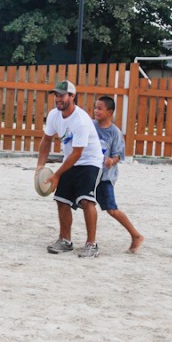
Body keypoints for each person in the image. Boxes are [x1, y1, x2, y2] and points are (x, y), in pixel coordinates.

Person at [36, 80, 104, 258]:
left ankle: (92, 244)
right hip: (71, 160)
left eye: (62, 95)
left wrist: (57, 175)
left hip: (89, 161)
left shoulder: (80, 120)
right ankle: (65, 240)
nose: (58, 98)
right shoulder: (53, 115)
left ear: (72, 96)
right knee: (61, 199)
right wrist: (40, 166)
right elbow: (46, 140)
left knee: (86, 200)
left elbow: (78, 153)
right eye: (56, 95)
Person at [93, 95, 144, 254]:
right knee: (84, 203)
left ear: (110, 112)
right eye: (95, 107)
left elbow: (118, 155)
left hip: (106, 177)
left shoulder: (115, 132)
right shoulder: (91, 126)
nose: (96, 111)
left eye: (100, 108)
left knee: (112, 210)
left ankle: (136, 235)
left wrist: (111, 161)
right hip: (91, 173)